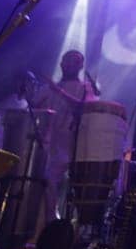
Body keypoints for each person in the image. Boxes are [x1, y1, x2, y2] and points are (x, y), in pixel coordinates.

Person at [36, 49, 100, 212]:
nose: (69, 64)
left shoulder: (86, 88)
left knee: (74, 188)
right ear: (61, 63)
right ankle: (49, 222)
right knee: (46, 182)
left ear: (80, 66)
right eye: (67, 60)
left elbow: (85, 107)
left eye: (74, 61)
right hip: (49, 145)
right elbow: (32, 107)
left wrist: (58, 92)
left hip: (74, 145)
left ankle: (67, 226)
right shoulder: (49, 88)